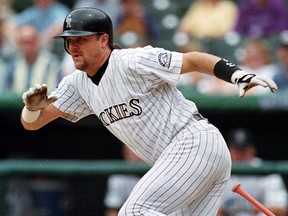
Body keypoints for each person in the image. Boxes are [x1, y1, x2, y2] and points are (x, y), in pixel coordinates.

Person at [20, 8, 277, 215]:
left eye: (81, 39)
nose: (73, 46)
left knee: (134, 211)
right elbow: (33, 124)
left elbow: (194, 59)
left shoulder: (132, 60)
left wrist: (236, 75)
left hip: (193, 142)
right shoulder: (75, 84)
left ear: (103, 40)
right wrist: (31, 109)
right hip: (183, 158)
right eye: (69, 41)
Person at [217, 128, 288, 216]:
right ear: (229, 150)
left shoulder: (266, 171)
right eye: (236, 149)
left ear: (252, 149)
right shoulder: (220, 174)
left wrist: (260, 209)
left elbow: (281, 210)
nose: (240, 154)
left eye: (243, 149)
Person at [3, 24, 61, 95]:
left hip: (44, 105)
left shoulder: (51, 64)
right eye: (23, 42)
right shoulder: (13, 63)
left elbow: (55, 93)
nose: (27, 47)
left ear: (38, 41)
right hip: (16, 105)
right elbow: (6, 91)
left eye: (29, 42)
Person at [104, 144, 143, 216]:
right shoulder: (119, 179)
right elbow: (112, 211)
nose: (135, 155)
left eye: (138, 151)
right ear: (124, 153)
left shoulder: (159, 172)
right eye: (131, 151)